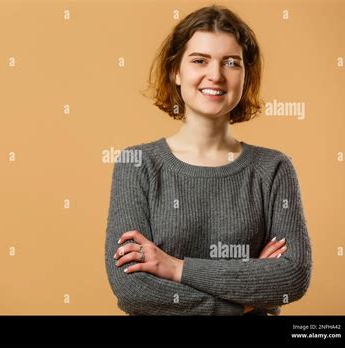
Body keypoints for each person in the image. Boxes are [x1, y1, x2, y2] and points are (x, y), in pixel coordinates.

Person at [104, 5, 312, 316]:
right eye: (199, 60)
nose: (215, 75)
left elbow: (292, 277)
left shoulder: (273, 169)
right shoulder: (138, 164)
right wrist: (247, 300)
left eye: (231, 63)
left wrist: (176, 268)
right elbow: (133, 289)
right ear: (176, 71)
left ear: (246, 75)